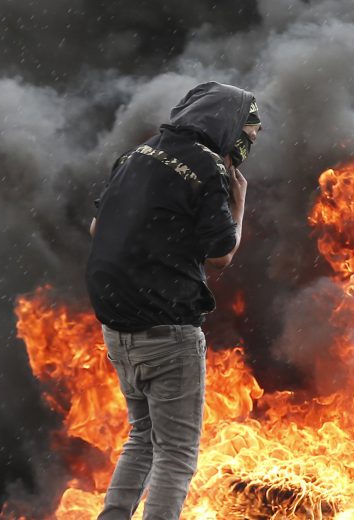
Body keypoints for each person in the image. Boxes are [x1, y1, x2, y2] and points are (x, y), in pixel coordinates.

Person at [85, 81, 259, 519]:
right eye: (247, 136)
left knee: (142, 437)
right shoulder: (208, 168)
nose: (246, 147)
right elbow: (221, 255)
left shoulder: (136, 154)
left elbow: (96, 229)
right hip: (167, 332)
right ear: (227, 127)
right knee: (177, 454)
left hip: (117, 328)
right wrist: (239, 204)